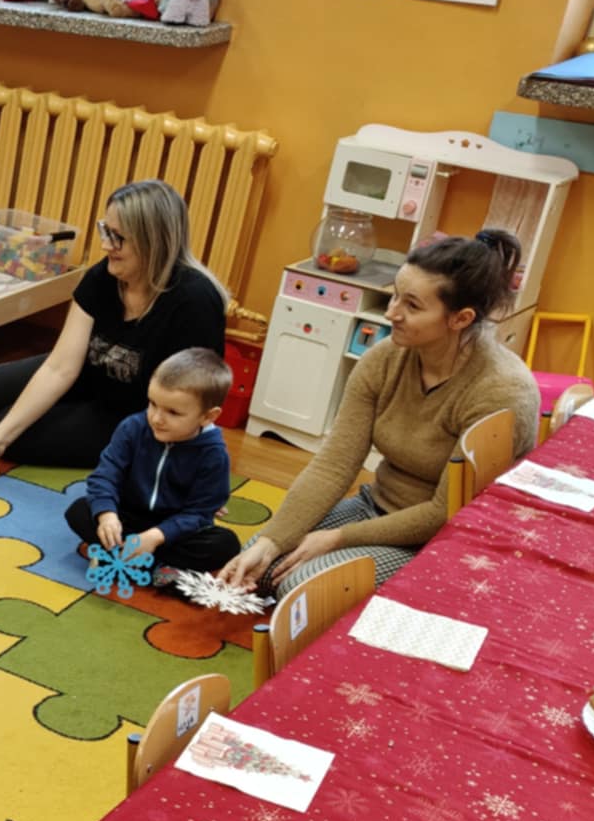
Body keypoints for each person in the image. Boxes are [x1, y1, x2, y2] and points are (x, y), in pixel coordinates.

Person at [220, 231, 539, 596]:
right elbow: (334, 465)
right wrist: (272, 541)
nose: (391, 313)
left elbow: (444, 511)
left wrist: (337, 538)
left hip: (439, 539)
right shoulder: (385, 357)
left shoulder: (501, 392)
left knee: (300, 586)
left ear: (460, 319)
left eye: (412, 306)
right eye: (395, 295)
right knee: (258, 559)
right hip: (374, 506)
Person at [0, 180, 227, 475]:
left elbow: (195, 400)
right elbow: (60, 367)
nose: (106, 245)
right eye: (105, 230)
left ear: (152, 242)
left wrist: (3, 437)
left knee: (8, 433)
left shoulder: (195, 301)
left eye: (118, 238)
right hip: (91, 377)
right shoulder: (102, 276)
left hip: (135, 414)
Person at [65, 347, 241, 583]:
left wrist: (157, 536)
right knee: (80, 510)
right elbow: (105, 475)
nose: (157, 418)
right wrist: (107, 516)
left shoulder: (213, 454)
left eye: (173, 412)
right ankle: (151, 563)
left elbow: (200, 513)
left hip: (174, 530)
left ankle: (130, 557)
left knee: (225, 544)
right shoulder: (132, 428)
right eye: (153, 404)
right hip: (128, 517)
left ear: (208, 416)